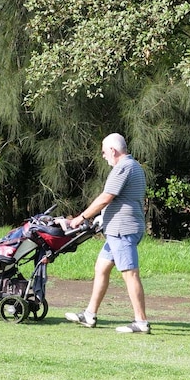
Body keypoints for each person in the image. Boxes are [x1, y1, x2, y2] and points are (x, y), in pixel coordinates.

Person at [62, 133, 150, 334]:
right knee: (101, 268)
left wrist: (79, 218)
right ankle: (90, 314)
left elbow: (106, 198)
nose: (103, 156)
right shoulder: (134, 165)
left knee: (130, 274)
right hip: (117, 230)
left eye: (104, 152)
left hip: (122, 230)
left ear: (113, 150)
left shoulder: (123, 167)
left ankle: (141, 322)